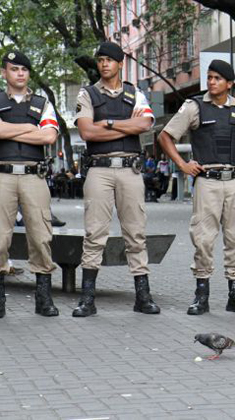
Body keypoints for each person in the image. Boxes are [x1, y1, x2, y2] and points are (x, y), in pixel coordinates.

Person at [158, 60, 235, 315]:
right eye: (210, 77)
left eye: (218, 78)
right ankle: (201, 294)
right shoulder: (194, 107)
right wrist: (183, 165)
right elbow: (165, 136)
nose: (212, 81)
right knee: (204, 238)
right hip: (207, 182)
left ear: (230, 84)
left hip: (234, 182)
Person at [72, 42, 159, 317]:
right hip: (99, 169)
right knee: (94, 233)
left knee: (135, 233)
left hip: (130, 171)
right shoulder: (87, 94)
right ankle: (87, 298)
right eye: (100, 60)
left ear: (120, 63)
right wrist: (124, 127)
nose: (104, 64)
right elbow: (87, 132)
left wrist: (107, 123)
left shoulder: (135, 93)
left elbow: (145, 124)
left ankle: (143, 297)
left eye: (109, 60)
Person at [0, 51, 60, 317]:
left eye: (24, 69)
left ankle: (43, 297)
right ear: (4, 73)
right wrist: (30, 127)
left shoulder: (42, 102)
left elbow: (48, 137)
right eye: (14, 69)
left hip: (35, 176)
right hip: (2, 176)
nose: (20, 73)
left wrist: (9, 128)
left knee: (41, 236)